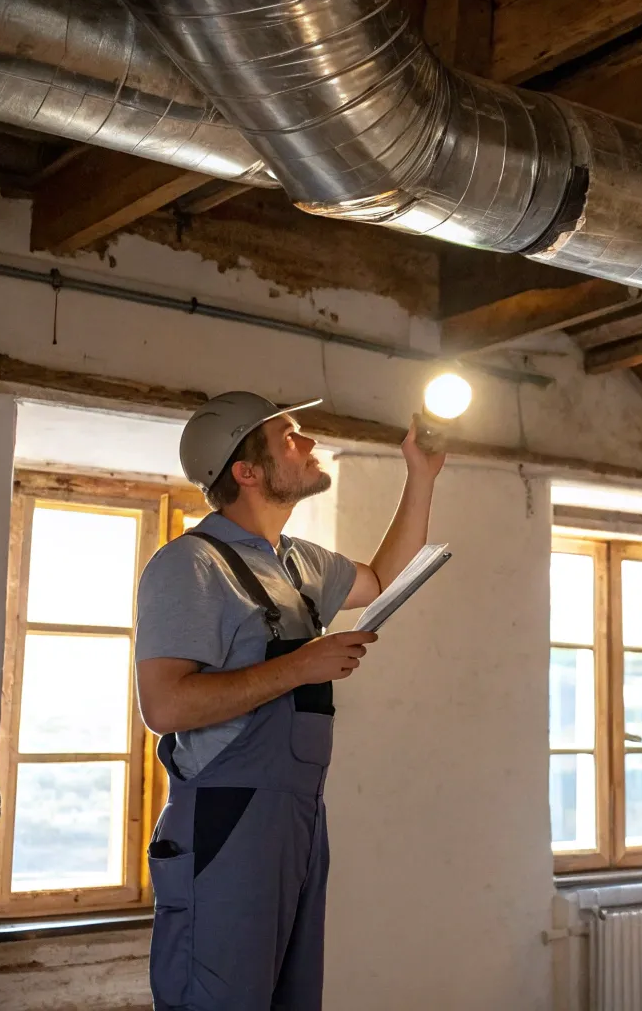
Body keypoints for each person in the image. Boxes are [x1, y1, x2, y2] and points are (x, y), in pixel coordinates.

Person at [133, 391, 444, 1010]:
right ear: (246, 472)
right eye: (290, 437)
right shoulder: (190, 565)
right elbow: (164, 708)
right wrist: (302, 665)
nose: (308, 443)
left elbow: (381, 579)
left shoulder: (297, 563)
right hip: (224, 819)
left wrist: (421, 474)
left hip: (300, 817)